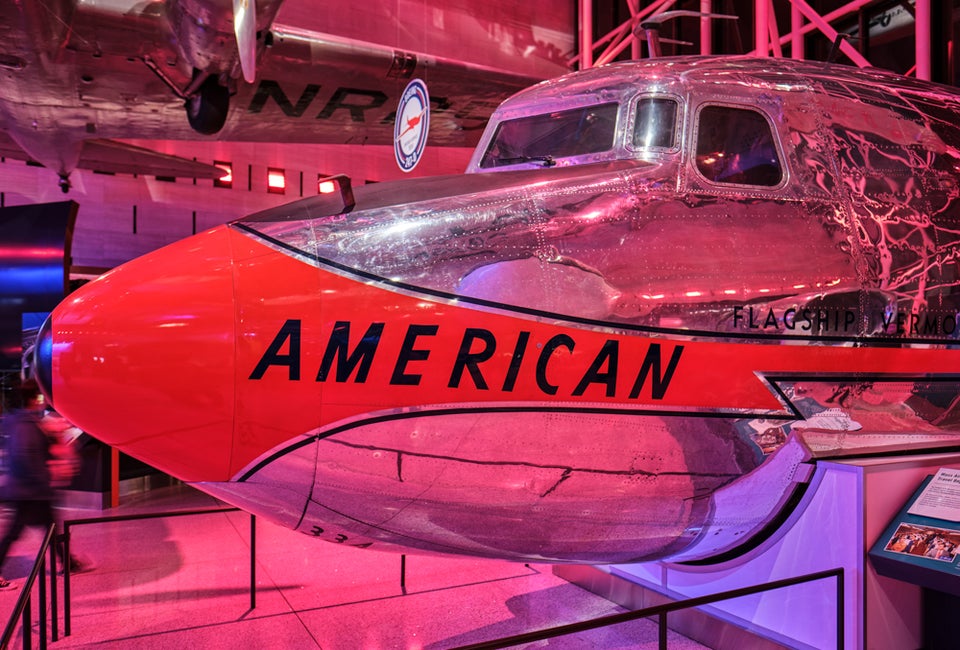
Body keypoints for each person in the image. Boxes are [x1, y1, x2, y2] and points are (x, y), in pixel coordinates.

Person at [0, 381, 87, 589]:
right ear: (35, 398)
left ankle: (69, 563)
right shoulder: (27, 425)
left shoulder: (20, 420)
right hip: (28, 491)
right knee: (16, 532)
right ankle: (69, 563)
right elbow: (25, 456)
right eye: (41, 396)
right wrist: (45, 479)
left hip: (28, 489)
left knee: (51, 528)